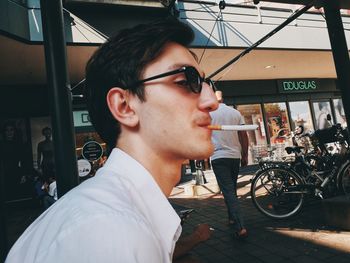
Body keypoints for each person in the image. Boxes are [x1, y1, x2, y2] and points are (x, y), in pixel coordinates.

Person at [6, 18, 218, 263]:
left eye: (206, 83)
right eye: (185, 81)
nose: (212, 100)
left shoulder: (114, 218)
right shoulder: (111, 230)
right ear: (124, 106)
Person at [210, 90, 249, 239]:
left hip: (218, 157)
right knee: (230, 189)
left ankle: (240, 226)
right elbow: (243, 135)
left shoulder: (209, 115)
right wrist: (245, 155)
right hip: (234, 157)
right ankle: (232, 218)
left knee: (228, 191)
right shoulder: (235, 113)